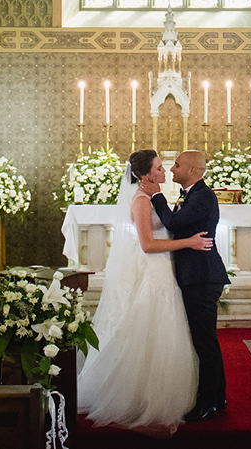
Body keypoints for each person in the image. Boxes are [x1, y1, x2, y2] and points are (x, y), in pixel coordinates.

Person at [77, 148, 213, 437]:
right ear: (147, 174)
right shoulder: (140, 200)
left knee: (166, 332)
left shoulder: (153, 198)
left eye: (169, 167)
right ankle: (142, 396)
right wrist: (188, 243)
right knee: (151, 331)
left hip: (165, 273)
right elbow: (148, 245)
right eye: (161, 168)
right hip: (153, 271)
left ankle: (170, 393)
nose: (165, 172)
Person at [141, 149, 229, 422]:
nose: (173, 169)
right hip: (196, 275)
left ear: (192, 170)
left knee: (205, 341)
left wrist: (155, 195)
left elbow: (175, 222)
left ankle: (210, 401)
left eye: (177, 165)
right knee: (203, 340)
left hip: (202, 277)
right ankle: (218, 396)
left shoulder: (203, 196)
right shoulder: (193, 195)